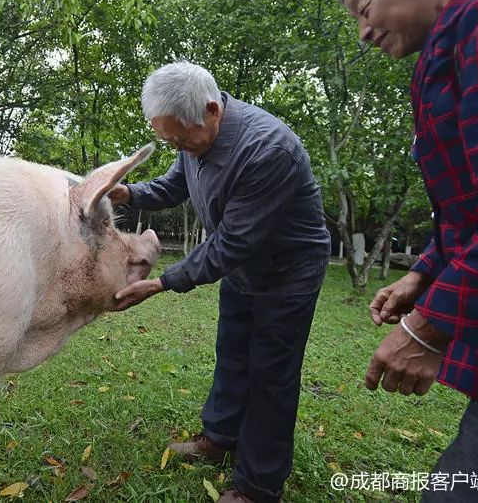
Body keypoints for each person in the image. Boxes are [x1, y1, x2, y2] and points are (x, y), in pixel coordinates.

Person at [109, 61, 331, 503]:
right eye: (167, 139)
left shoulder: (268, 149)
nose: (177, 146)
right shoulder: (191, 137)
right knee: (232, 353)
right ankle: (220, 438)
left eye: (179, 137)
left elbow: (232, 242)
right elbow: (175, 185)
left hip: (287, 273)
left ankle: (258, 485)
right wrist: (129, 193)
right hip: (243, 270)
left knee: (271, 373)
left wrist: (162, 283)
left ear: (211, 110)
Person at [335, 0, 478, 501]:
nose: (363, 31)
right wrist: (424, 270)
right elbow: (471, 204)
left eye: (365, 7)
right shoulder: (445, 50)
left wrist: (430, 328)